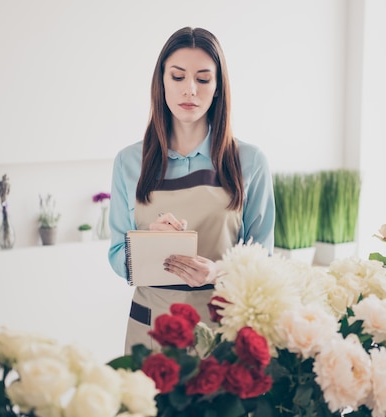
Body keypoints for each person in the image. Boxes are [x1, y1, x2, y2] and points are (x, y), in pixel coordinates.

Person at [108, 26, 275, 353]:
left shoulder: (250, 161)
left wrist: (217, 271)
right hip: (150, 328)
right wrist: (149, 246)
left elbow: (263, 259)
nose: (190, 90)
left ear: (217, 88)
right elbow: (116, 255)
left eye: (202, 79)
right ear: (162, 82)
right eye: (178, 77)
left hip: (221, 329)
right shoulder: (129, 162)